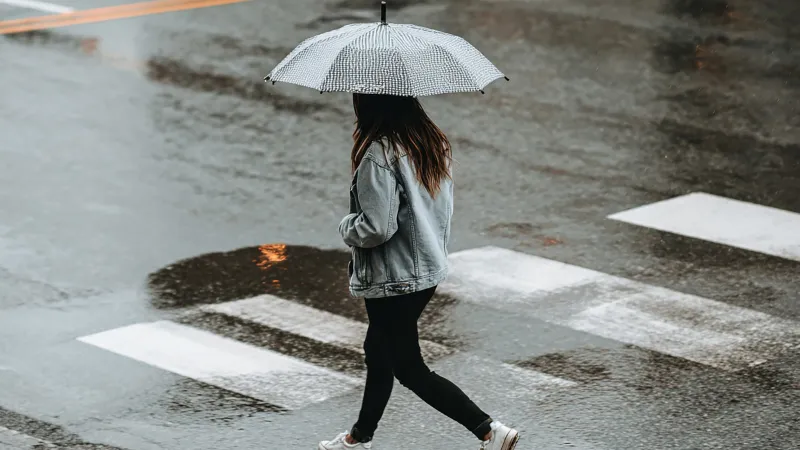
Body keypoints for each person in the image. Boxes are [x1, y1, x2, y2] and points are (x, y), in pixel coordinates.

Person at [318, 93, 520, 450]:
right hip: (425, 269)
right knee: (379, 351)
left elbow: (376, 228)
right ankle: (357, 439)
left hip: (393, 275)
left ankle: (490, 430)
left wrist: (346, 226)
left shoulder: (379, 155)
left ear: (370, 107)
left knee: (408, 367)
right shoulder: (432, 143)